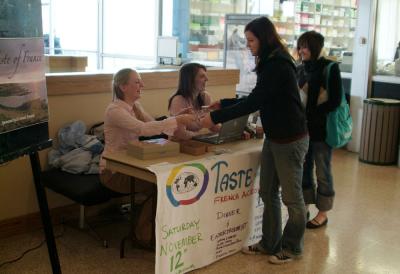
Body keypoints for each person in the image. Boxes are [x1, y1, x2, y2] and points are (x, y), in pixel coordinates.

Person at [201, 16, 309, 264]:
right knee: (267, 191)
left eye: (251, 40)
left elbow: (255, 102)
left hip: (290, 140)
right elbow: (258, 96)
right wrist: (225, 103)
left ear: (264, 38)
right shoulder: (271, 61)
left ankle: (292, 247)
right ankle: (269, 242)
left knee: (291, 198)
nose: (247, 45)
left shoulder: (278, 65)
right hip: (275, 137)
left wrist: (216, 117)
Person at [99, 68, 196, 241]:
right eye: (137, 82)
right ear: (123, 86)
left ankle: (155, 229)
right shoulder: (114, 110)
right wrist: (177, 121)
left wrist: (177, 117)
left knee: (167, 182)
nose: (142, 85)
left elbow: (153, 125)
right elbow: (143, 129)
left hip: (131, 164)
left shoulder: (135, 107)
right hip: (113, 172)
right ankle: (144, 234)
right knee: (161, 185)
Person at [296, 31, 342, 229]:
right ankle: (304, 206)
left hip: (321, 130)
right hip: (302, 130)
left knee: (322, 170)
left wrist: (314, 113)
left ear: (315, 48)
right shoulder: (300, 69)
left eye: (305, 46)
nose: (301, 50)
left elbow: (336, 100)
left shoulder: (329, 68)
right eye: (300, 46)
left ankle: (323, 213)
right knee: (304, 169)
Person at [168, 63, 219, 140]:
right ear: (190, 80)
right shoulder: (178, 100)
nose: (207, 79)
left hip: (196, 142)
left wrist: (230, 132)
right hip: (181, 145)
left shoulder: (205, 97)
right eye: (202, 76)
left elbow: (213, 125)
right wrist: (201, 135)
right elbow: (179, 133)